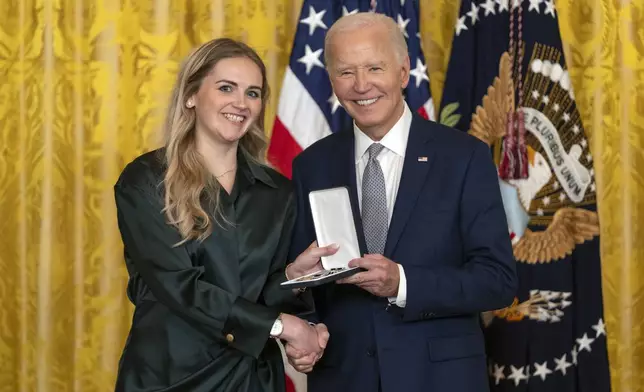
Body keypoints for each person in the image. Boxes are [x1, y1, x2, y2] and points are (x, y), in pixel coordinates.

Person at [283, 13, 518, 392]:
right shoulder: (311, 164)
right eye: (346, 72)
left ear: (404, 72)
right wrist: (301, 305)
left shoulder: (464, 157)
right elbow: (302, 289)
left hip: (440, 379)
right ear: (331, 81)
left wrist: (402, 283)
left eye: (374, 67)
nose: (361, 85)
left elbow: (497, 281)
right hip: (344, 378)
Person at [113, 38, 330, 392]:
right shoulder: (146, 180)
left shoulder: (278, 191)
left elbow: (253, 292)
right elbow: (180, 287)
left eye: (253, 93)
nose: (240, 103)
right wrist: (282, 327)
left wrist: (291, 276)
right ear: (191, 96)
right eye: (226, 88)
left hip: (252, 377)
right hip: (170, 377)